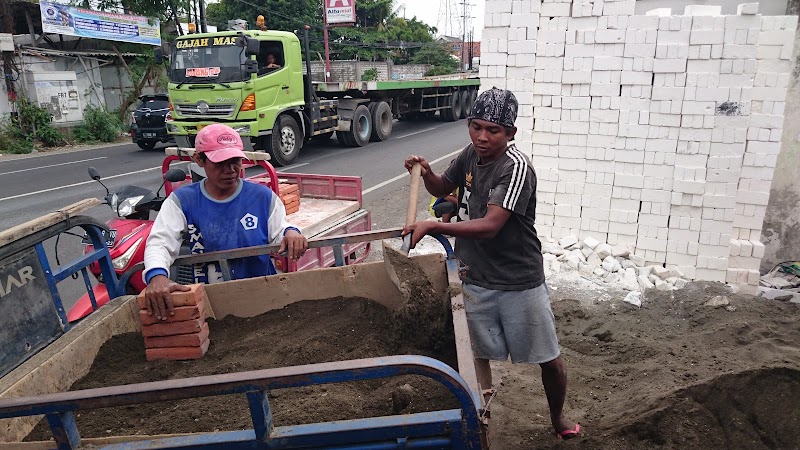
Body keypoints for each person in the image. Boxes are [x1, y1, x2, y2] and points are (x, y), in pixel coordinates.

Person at [402, 88, 580, 439]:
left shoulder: (515, 168)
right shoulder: (471, 154)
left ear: (510, 133)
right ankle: (480, 422)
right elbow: (443, 187)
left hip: (518, 280)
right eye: (476, 127)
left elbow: (491, 225)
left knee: (548, 357)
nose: (482, 137)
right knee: (474, 356)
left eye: (493, 130)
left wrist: (434, 225)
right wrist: (425, 173)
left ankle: (557, 419)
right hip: (475, 275)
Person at [143, 123, 307, 320]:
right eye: (220, 163)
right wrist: (157, 276)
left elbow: (279, 229)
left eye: (235, 161)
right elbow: (161, 241)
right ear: (199, 160)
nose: (230, 170)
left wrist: (291, 232)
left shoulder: (263, 197)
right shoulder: (182, 201)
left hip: (261, 297)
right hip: (210, 302)